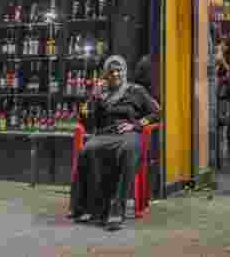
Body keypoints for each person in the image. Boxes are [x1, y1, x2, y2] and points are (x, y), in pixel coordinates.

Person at [69, 55, 161, 230]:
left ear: (125, 71)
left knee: (127, 150)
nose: (116, 74)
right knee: (88, 150)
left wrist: (135, 125)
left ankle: (116, 209)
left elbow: (157, 113)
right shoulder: (101, 94)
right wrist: (94, 98)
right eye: (111, 71)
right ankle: (90, 208)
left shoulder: (136, 90)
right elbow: (89, 122)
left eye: (119, 70)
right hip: (105, 134)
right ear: (106, 75)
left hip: (129, 134)